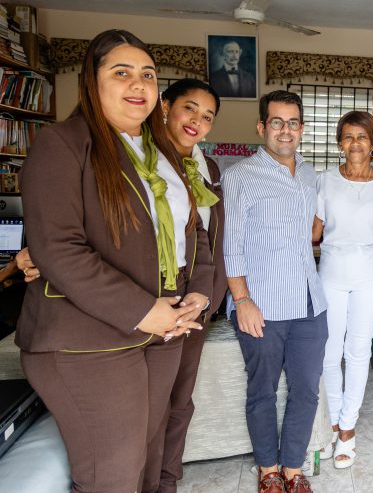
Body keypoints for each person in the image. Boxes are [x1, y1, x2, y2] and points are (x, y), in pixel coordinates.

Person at [17, 29, 214, 492]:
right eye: (121, 72)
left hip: (164, 329)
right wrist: (145, 311)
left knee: (148, 455)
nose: (138, 84)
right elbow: (57, 248)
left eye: (148, 75)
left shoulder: (161, 152)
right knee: (115, 472)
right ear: (92, 81)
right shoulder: (64, 144)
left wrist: (199, 291)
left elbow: (195, 232)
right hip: (89, 340)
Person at [223, 90, 327, 493]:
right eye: (277, 122)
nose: (286, 130)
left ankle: (292, 470)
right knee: (262, 391)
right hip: (261, 305)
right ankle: (268, 472)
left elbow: (309, 232)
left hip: (309, 304)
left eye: (293, 122)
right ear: (262, 127)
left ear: (302, 128)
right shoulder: (239, 176)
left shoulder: (309, 173)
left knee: (305, 390)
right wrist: (243, 301)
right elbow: (231, 245)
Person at [311, 111, 373, 469]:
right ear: (340, 143)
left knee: (357, 351)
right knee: (328, 351)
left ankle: (348, 429)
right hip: (331, 271)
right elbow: (314, 233)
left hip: (370, 272)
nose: (355, 143)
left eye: (362, 137)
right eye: (349, 136)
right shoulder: (323, 181)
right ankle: (334, 418)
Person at [142, 78, 227, 493]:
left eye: (207, 116)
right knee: (147, 402)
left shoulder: (207, 169)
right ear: (164, 106)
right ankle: (140, 479)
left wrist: (207, 295)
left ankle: (167, 481)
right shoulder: (138, 158)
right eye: (189, 108)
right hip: (147, 296)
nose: (197, 121)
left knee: (180, 398)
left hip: (194, 296)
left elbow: (208, 237)